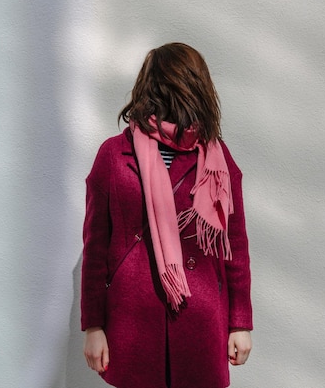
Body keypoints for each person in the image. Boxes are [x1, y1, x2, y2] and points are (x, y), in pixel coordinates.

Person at [81, 42, 253, 388]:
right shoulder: (115, 155)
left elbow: (235, 249)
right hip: (133, 322)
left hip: (201, 321)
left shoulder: (218, 160)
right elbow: (95, 248)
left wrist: (240, 323)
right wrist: (93, 326)